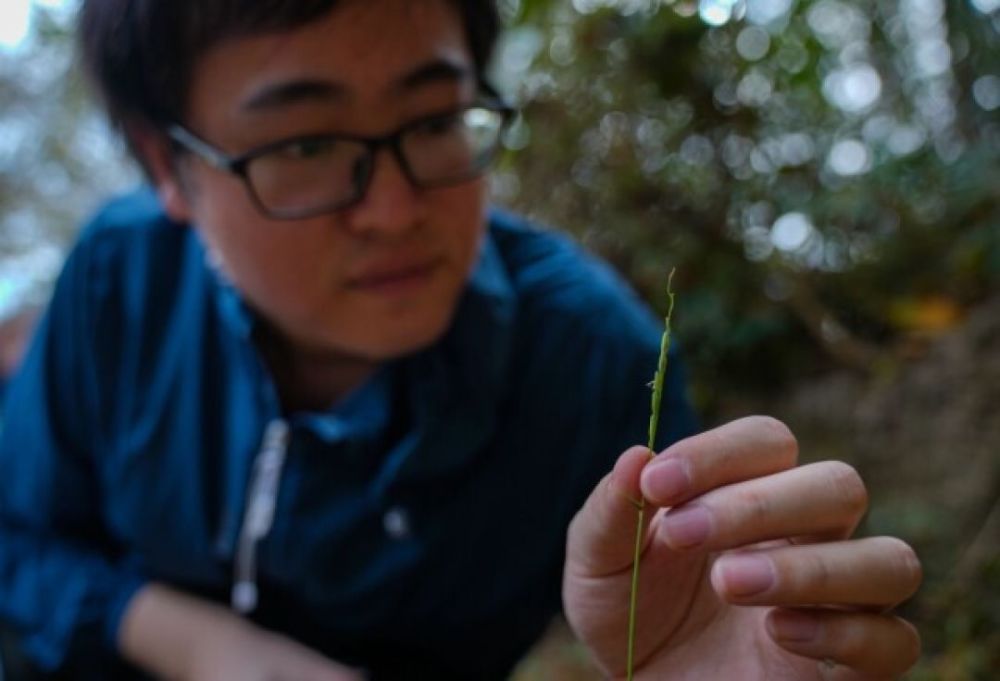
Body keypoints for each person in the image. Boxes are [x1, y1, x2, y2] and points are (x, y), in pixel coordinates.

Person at [0, 1, 922, 679]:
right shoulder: (121, 282)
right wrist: (208, 648)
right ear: (168, 164)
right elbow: (20, 538)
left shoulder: (595, 361)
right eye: (307, 146)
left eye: (435, 122)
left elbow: (680, 630)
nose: (396, 211)